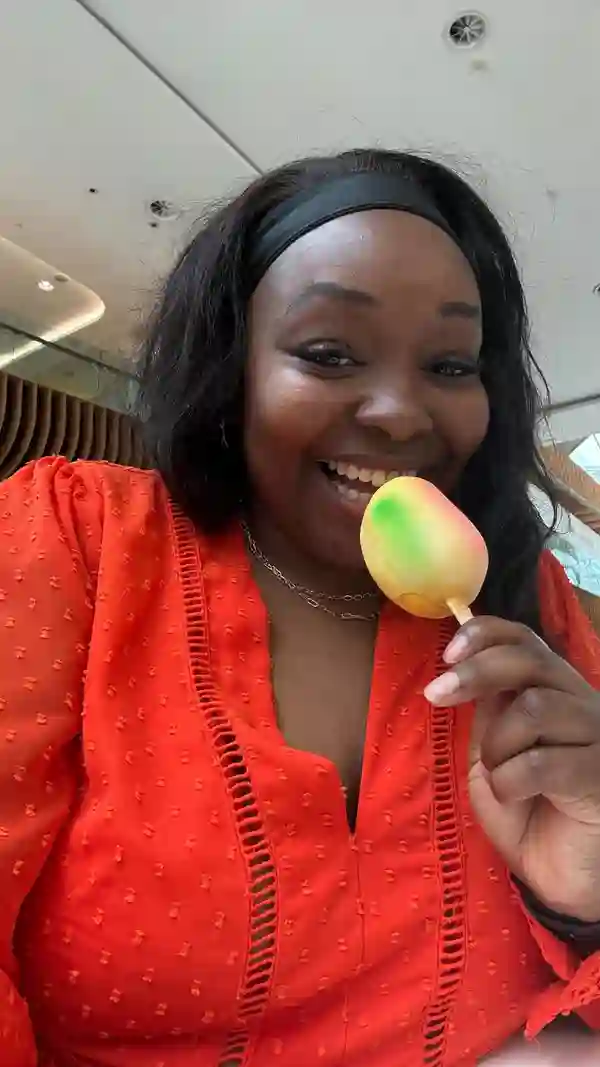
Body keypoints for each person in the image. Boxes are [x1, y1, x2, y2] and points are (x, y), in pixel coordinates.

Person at [1, 148, 600, 1067]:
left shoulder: (533, 606)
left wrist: (581, 893)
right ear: (231, 368)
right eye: (327, 353)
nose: (402, 413)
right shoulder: (77, 543)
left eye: (449, 363)